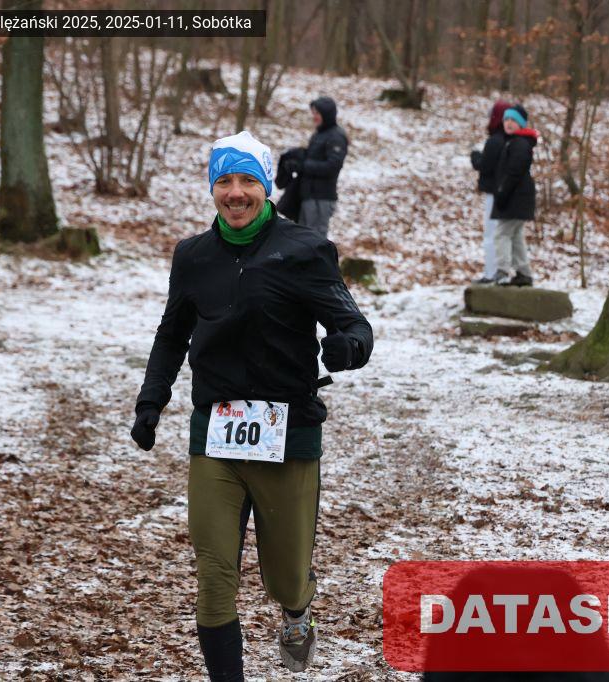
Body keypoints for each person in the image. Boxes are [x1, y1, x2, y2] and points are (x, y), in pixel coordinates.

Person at [130, 130, 373, 680]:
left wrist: (347, 347)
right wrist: (151, 401)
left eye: (247, 181)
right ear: (212, 189)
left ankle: (297, 610)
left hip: (288, 433)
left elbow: (355, 325)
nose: (235, 193)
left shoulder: (304, 251)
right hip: (215, 434)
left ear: (265, 187)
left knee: (285, 577)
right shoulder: (193, 256)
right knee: (215, 576)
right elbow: (171, 335)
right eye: (224, 181)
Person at [491, 104, 540, 287]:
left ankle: (503, 271)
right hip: (518, 197)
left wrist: (502, 191)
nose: (509, 123)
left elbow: (514, 171)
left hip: (516, 197)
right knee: (516, 235)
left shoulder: (519, 143)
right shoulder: (515, 142)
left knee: (501, 234)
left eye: (513, 120)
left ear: (521, 124)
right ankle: (523, 273)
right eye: (506, 119)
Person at [470, 100, 511, 284]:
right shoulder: (510, 140)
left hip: (495, 195)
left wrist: (475, 156)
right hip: (506, 194)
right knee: (502, 235)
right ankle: (500, 273)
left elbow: (484, 166)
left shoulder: (495, 141)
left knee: (492, 235)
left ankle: (491, 273)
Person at [294, 96, 348, 237]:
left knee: (315, 238)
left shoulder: (336, 136)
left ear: (327, 114)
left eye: (317, 113)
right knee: (303, 237)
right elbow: (313, 157)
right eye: (313, 113)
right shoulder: (319, 134)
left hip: (322, 198)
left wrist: (304, 165)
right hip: (309, 195)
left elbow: (333, 166)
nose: (314, 116)